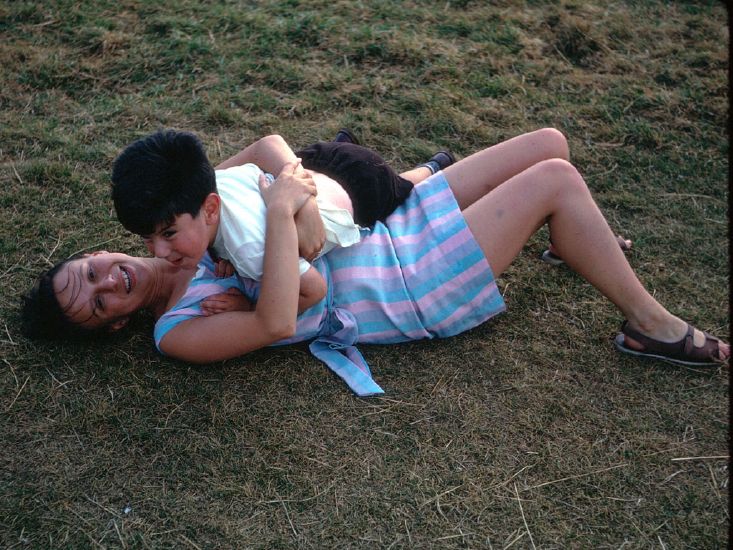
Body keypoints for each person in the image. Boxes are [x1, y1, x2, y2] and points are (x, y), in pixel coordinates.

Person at [22, 129, 729, 396]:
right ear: (115, 328)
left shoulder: (180, 225)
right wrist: (276, 223)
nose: (112, 281)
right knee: (555, 182)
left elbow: (242, 167)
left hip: (378, 228)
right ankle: (650, 326)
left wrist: (295, 192)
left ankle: (571, 242)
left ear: (97, 251)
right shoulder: (177, 331)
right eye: (100, 303)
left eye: (92, 271)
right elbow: (277, 318)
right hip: (405, 283)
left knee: (549, 143)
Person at [111, 130, 455, 311]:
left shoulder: (250, 249)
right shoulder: (209, 183)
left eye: (169, 233)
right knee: (333, 159)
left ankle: (432, 168)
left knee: (404, 188)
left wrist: (250, 307)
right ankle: (344, 144)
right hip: (314, 161)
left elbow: (313, 290)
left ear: (211, 208)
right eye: (148, 238)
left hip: (364, 186)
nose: (158, 251)